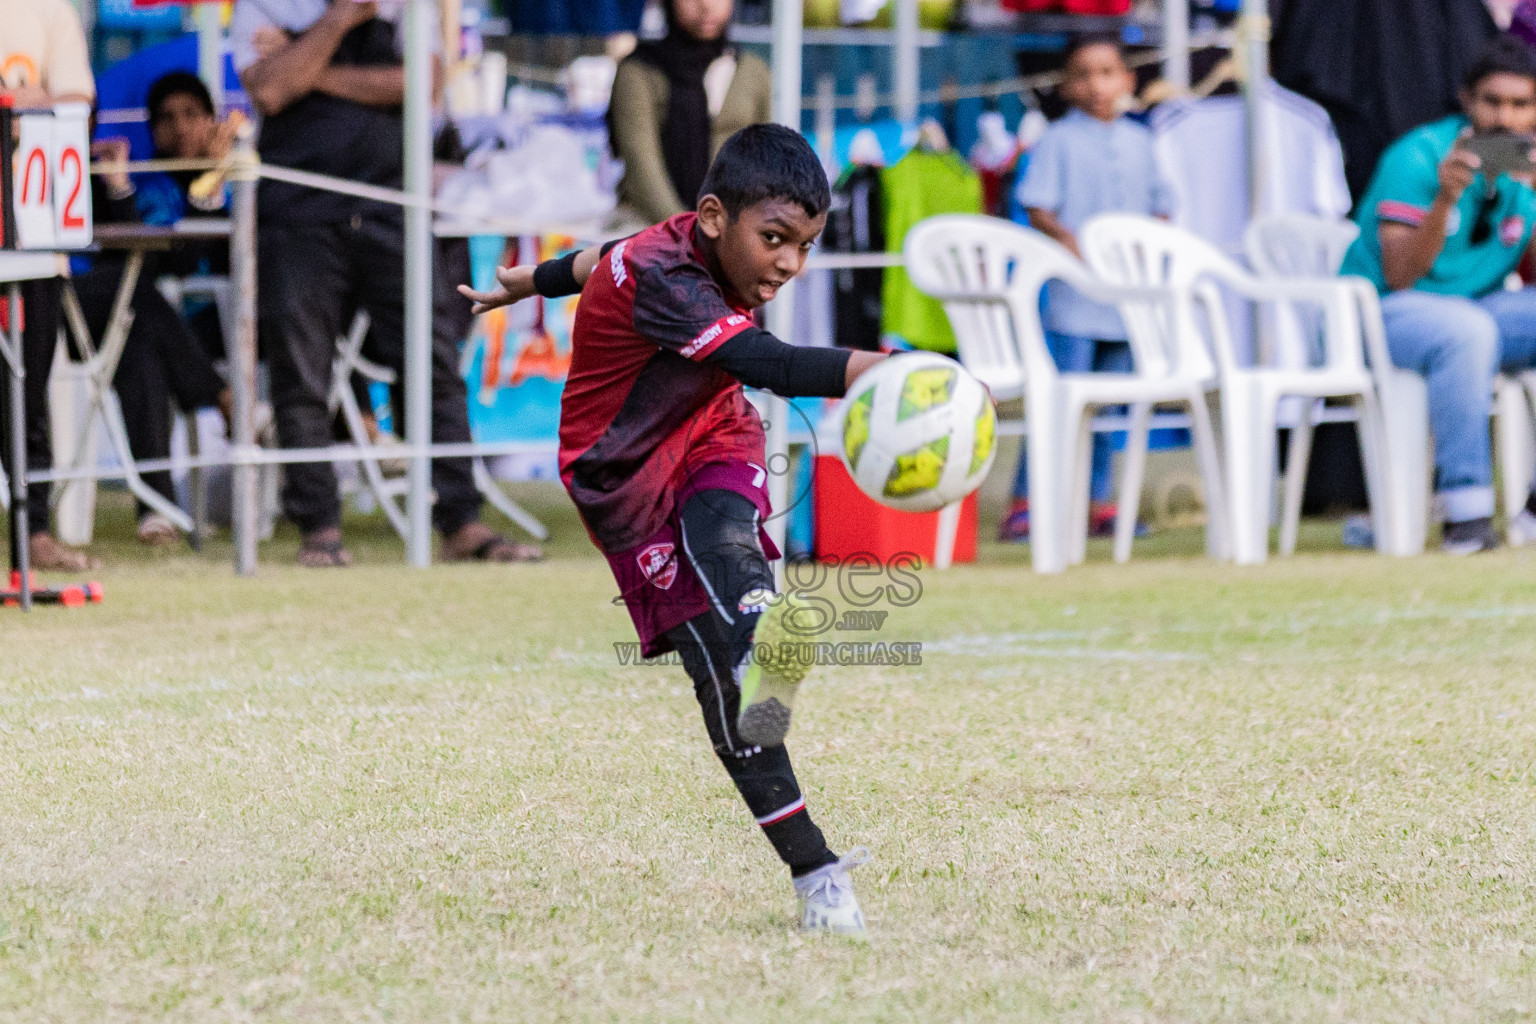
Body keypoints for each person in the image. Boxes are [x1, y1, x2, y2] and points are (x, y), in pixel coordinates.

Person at [461, 125, 885, 935]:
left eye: (804, 246)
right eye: (775, 240)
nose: (790, 265)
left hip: (713, 430)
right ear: (715, 217)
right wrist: (888, 366)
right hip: (622, 481)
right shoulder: (668, 279)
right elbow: (774, 365)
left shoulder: (678, 242)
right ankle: (813, 867)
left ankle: (763, 625)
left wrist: (532, 282)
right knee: (722, 683)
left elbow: (595, 260)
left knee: (728, 546)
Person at [232, 0, 538, 567]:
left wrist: (309, 69)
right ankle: (318, 528)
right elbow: (270, 91)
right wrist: (341, 19)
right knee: (301, 373)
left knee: (434, 364)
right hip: (297, 213)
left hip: (391, 206)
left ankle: (460, 520)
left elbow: (421, 82)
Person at [1341, 34, 1536, 553]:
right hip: (1383, 313)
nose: (1505, 119)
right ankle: (1466, 516)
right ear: (1467, 100)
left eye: (1522, 104)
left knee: (1471, 326)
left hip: (1476, 311)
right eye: (1493, 101)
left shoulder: (1525, 166)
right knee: (1464, 331)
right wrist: (1446, 199)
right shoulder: (1419, 156)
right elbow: (1401, 273)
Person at [999, 33, 1172, 543]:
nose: (1096, 85)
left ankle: (1099, 504)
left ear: (1128, 78)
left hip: (1126, 302)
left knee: (1109, 408)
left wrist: (1143, 248)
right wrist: (1071, 245)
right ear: (1067, 86)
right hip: (1075, 300)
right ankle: (1027, 504)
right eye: (1084, 74)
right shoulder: (1057, 141)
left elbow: (1163, 207)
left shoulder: (1145, 142)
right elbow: (1037, 204)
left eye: (1106, 72)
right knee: (1059, 401)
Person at [69, 131, 235, 548]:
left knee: (140, 342)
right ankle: (223, 398)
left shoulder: (157, 177)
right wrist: (120, 187)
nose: (180, 128)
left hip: (137, 323)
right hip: (63, 313)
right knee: (137, 295)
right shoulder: (50, 171)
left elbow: (169, 261)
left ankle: (156, 510)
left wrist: (122, 187)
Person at [0, 0, 102, 571]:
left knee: (27, 385)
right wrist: (25, 102)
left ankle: (33, 529)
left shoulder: (44, 8)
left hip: (31, 230)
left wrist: (17, 106)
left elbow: (74, 105)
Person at [607, 0, 771, 226]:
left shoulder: (752, 70)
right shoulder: (639, 72)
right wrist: (690, 234)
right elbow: (643, 172)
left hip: (729, 228)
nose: (706, 5)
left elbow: (764, 164)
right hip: (650, 227)